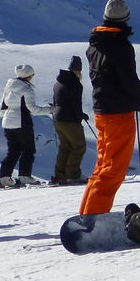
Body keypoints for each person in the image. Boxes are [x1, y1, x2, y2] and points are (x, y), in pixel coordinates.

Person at [79, 0, 140, 216]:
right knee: (113, 169)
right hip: (118, 112)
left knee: (102, 166)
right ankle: (94, 217)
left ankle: (87, 214)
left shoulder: (95, 44)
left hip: (102, 111)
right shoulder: (120, 46)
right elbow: (128, 82)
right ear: (126, 19)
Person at [0, 64, 41, 187]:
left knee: (13, 151)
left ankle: (4, 177)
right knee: (28, 149)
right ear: (28, 76)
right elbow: (33, 109)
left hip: (7, 122)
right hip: (22, 121)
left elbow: (2, 106)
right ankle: (25, 176)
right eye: (32, 74)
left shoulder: (9, 86)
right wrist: (51, 109)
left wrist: (5, 117)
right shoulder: (27, 89)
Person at [49, 55, 90, 185]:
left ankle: (59, 174)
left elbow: (57, 101)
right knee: (79, 146)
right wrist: (81, 115)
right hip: (70, 119)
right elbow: (75, 103)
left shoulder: (58, 82)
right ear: (79, 71)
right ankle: (72, 174)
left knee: (65, 146)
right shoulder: (75, 84)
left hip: (58, 118)